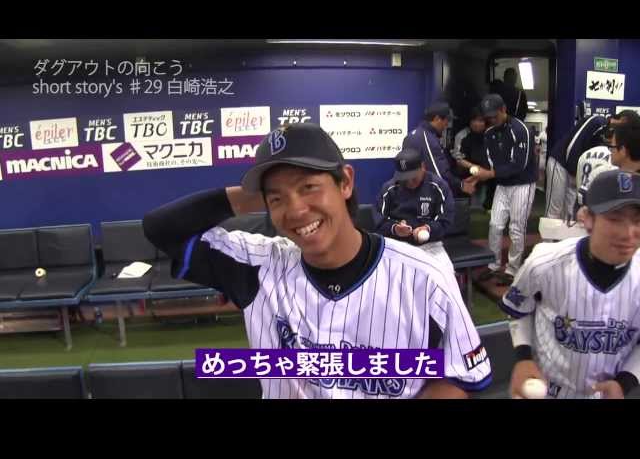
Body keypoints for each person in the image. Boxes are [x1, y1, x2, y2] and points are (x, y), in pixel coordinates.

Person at [143, 123, 492, 399]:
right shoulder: (257, 265)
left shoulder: (425, 276)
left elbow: (461, 376)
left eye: (308, 187)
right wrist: (254, 197)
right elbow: (161, 229)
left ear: (345, 182)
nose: (295, 210)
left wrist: (277, 192)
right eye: (277, 198)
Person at [501, 170, 640, 399]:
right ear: (587, 218)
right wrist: (523, 358)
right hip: (547, 391)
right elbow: (518, 310)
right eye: (615, 219)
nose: (628, 234)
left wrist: (624, 383)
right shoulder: (544, 262)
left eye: (637, 220)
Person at [469, 94, 537, 285]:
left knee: (516, 227)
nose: (492, 119)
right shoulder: (489, 133)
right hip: (502, 184)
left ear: (503, 109)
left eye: (494, 115)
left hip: (523, 184)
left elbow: (520, 164)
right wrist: (479, 176)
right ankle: (493, 264)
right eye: (488, 117)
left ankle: (513, 269)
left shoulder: (521, 130)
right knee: (495, 224)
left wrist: (490, 174)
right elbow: (493, 164)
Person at [545, 110, 640, 220]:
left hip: (578, 170)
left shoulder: (617, 137)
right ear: (621, 119)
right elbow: (573, 145)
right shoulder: (598, 121)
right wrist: (575, 172)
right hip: (561, 162)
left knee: (569, 213)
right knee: (554, 210)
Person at [374, 148, 455, 274]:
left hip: (430, 245)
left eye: (413, 177)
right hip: (397, 245)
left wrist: (428, 229)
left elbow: (446, 219)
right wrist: (395, 229)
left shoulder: (438, 186)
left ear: (423, 167)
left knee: (446, 273)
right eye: (405, 178)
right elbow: (379, 220)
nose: (409, 182)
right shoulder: (390, 188)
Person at [403, 102, 476, 197]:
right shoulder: (426, 138)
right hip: (423, 194)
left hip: (413, 192)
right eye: (446, 120)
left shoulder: (417, 134)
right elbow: (439, 174)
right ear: (437, 119)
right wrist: (461, 185)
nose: (447, 124)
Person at [451, 107, 493, 209]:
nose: (476, 124)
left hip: (488, 173)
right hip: (468, 171)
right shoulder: (462, 135)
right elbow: (458, 159)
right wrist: (476, 169)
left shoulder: (491, 135)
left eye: (480, 121)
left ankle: (489, 206)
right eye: (474, 120)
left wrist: (483, 173)